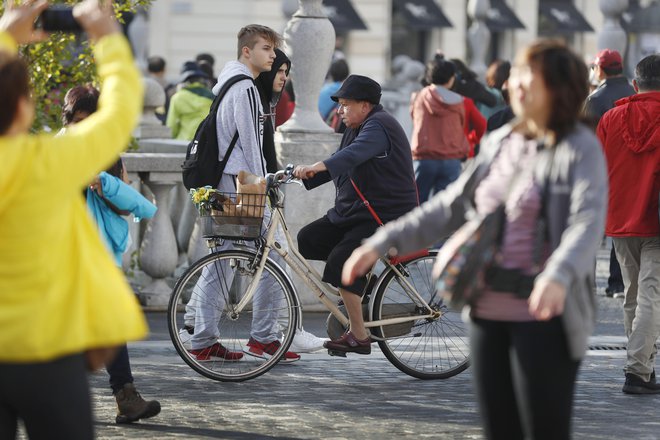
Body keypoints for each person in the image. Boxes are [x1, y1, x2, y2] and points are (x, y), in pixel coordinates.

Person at [343, 40, 607, 439]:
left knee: (545, 429)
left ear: (558, 86)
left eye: (528, 78)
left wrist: (560, 273)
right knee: (499, 428)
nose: (517, 85)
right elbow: (449, 206)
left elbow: (586, 221)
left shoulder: (579, 146)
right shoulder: (503, 142)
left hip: (547, 314)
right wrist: (382, 241)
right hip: (486, 307)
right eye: (516, 75)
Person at [0, 1, 147, 438]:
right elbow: (119, 112)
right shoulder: (49, 162)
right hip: (49, 354)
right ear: (25, 109)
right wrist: (107, 37)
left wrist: (5, 37)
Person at [187, 24, 302, 362]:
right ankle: (263, 336)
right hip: (241, 185)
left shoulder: (228, 84)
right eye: (266, 49)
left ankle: (205, 338)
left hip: (225, 182)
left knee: (222, 261)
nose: (272, 55)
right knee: (274, 254)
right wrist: (265, 184)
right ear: (247, 51)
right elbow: (251, 144)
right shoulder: (246, 88)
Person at [294, 74, 418, 354]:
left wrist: (317, 165)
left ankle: (359, 336)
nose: (340, 110)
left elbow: (351, 156)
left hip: (385, 214)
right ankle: (365, 283)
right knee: (308, 239)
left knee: (343, 263)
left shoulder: (379, 126)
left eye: (345, 104)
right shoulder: (356, 125)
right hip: (358, 211)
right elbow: (342, 164)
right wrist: (305, 176)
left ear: (365, 105)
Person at [60, 85, 161, 422]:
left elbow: (124, 210)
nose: (82, 127)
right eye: (77, 120)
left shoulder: (108, 154)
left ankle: (125, 396)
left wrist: (104, 185)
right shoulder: (56, 150)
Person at [255, 47, 327, 352]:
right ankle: (278, 333)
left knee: (272, 263)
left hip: (260, 190)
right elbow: (255, 150)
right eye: (280, 71)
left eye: (286, 72)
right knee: (277, 263)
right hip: (253, 191)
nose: (283, 78)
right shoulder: (254, 99)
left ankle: (266, 336)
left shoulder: (266, 102)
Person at [596, 54, 660, 395]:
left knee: (633, 295)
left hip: (620, 219)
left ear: (636, 84)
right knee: (652, 294)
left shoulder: (610, 118)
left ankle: (644, 367)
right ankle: (638, 370)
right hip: (656, 221)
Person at [585, 48, 636, 298]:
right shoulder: (635, 93)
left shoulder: (595, 100)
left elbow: (586, 140)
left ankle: (587, 283)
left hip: (602, 171)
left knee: (593, 228)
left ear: (600, 69)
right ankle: (617, 282)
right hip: (632, 170)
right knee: (622, 228)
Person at [410, 56, 469, 203]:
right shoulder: (459, 101)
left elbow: (414, 118)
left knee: (416, 204)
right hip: (451, 158)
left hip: (425, 158)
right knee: (444, 207)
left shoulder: (419, 97)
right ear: (451, 79)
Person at [166, 60, 213, 140]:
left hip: (183, 142)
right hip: (205, 143)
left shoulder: (178, 97)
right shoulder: (212, 97)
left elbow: (171, 126)